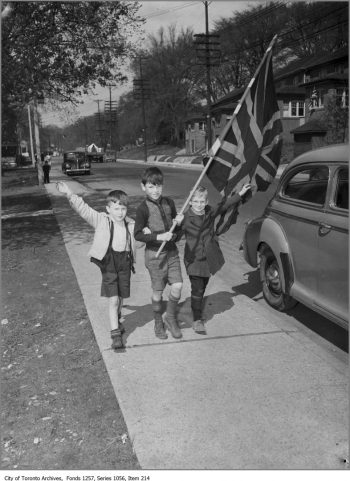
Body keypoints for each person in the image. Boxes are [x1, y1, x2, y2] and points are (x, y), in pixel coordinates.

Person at [56, 181, 136, 351]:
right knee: (113, 299)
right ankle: (115, 335)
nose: (120, 213)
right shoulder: (101, 220)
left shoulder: (131, 224)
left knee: (121, 296)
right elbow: (84, 209)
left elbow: (142, 233)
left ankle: (118, 316)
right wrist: (69, 193)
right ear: (108, 209)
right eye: (116, 208)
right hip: (109, 264)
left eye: (123, 209)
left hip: (125, 264)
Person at [176, 183, 251, 334]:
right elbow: (175, 237)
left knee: (202, 288)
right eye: (196, 201)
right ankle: (197, 319)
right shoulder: (185, 217)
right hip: (194, 259)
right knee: (197, 289)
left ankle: (194, 307)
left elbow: (224, 206)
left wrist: (241, 194)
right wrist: (177, 225)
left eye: (202, 201)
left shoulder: (209, 212)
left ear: (206, 201)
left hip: (209, 257)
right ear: (190, 202)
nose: (199, 205)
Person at [134, 166, 183, 340]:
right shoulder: (142, 209)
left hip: (172, 253)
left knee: (177, 286)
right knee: (158, 292)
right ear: (143, 187)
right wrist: (158, 236)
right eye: (151, 186)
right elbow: (138, 234)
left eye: (158, 186)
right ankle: (157, 321)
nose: (155, 190)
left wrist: (178, 226)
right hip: (155, 256)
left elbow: (177, 231)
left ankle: (170, 317)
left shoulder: (169, 202)